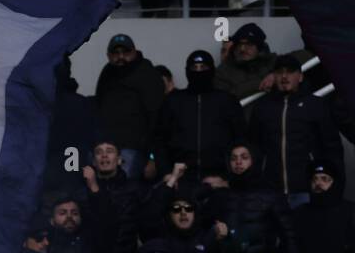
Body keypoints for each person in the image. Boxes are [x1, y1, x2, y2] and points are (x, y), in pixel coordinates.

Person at [248, 55, 341, 203]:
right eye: (279, 72)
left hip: (307, 189)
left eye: (290, 72)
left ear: (300, 76)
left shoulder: (315, 105)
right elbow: (253, 146)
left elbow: (332, 147)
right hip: (270, 190)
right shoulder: (262, 107)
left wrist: (336, 186)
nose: (284, 76)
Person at [152, 50, 244, 181]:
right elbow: (159, 141)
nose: (199, 71)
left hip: (220, 179)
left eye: (203, 67)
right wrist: (166, 173)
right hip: (179, 178)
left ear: (211, 70)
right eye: (194, 68)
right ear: (187, 71)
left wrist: (229, 178)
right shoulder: (173, 101)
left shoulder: (227, 101)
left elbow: (241, 140)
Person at [93, 34, 163, 179]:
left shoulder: (147, 73)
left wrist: (152, 156)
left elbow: (157, 118)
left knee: (126, 193)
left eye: (125, 52)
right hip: (106, 147)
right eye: (115, 53)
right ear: (108, 55)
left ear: (134, 52)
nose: (121, 57)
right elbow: (98, 106)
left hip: (133, 149)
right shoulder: (107, 72)